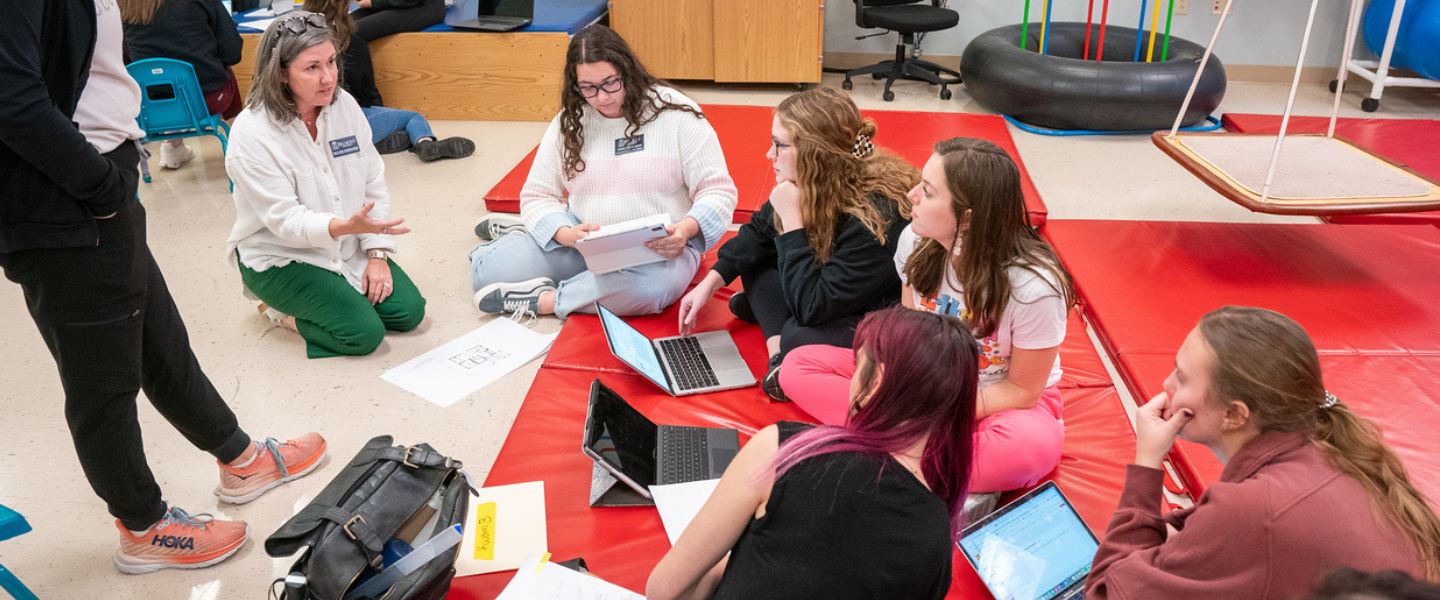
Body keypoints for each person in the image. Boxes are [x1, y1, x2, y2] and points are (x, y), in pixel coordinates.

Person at [0, 0, 325, 574]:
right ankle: (143, 527)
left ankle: (240, 457)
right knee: (102, 380)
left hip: (100, 185)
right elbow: (13, 99)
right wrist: (99, 188)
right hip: (66, 203)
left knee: (159, 339)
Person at [776, 137, 1074, 494]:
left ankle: (886, 442)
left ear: (967, 218)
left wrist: (937, 412)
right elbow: (909, 339)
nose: (912, 195)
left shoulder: (1033, 286)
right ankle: (922, 456)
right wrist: (903, 394)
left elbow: (1023, 389)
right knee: (798, 366)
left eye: (928, 192)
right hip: (924, 388)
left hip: (995, 402)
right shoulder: (915, 243)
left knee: (1028, 449)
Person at [1087, 307, 1440, 598]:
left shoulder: (1257, 508)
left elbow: (1102, 591)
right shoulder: (1330, 447)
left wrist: (1147, 462)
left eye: (1182, 376)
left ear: (1235, 415)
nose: (1167, 384)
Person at [646, 307, 978, 600]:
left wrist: (727, 563)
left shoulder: (790, 449)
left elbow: (664, 589)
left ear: (876, 381)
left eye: (855, 366)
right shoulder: (937, 537)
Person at [467, 25, 737, 319]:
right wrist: (564, 232)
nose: (602, 98)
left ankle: (545, 300)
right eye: (588, 88)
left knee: (650, 290)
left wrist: (684, 231)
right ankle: (531, 231)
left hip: (661, 250)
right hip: (585, 242)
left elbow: (718, 191)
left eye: (610, 83)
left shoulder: (677, 114)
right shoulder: (570, 120)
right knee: (486, 274)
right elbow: (538, 194)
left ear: (627, 70)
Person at [677, 87, 916, 400]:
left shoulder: (876, 217)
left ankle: (778, 331)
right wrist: (709, 283)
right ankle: (779, 356)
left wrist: (792, 221)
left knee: (799, 335)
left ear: (814, 153)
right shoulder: (817, 179)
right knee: (758, 257)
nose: (769, 155)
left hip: (876, 311)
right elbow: (757, 233)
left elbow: (813, 309)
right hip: (829, 287)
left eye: (779, 145)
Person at [225, 12, 426, 358]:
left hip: (345, 242)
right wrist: (341, 226)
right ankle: (278, 313)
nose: (328, 77)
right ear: (281, 73)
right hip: (282, 256)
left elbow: (371, 179)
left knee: (408, 313)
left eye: (331, 62)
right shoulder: (252, 133)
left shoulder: (344, 106)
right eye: (312, 68)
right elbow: (284, 220)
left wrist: (376, 253)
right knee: (363, 334)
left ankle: (341, 290)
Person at [303, 0, 475, 163]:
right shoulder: (354, 43)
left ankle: (370, 141)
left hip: (309, 126)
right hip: (350, 120)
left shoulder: (293, 47)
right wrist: (380, 112)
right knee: (411, 119)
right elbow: (368, 94)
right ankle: (424, 142)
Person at [118, 0, 244, 169]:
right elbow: (232, 52)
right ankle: (240, 141)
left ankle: (171, 146)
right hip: (204, 102)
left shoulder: (124, 5)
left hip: (151, 107)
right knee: (225, 72)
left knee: (161, 74)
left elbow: (126, 61)